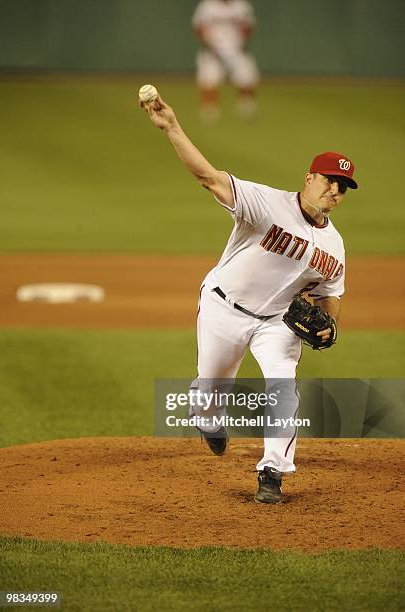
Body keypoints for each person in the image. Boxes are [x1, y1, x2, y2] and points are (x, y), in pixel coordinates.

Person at [140, 91, 358, 504]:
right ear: (309, 177)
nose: (334, 189)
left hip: (277, 324)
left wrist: (330, 328)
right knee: (209, 394)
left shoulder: (336, 247)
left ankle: (273, 472)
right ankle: (207, 418)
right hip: (223, 307)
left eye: (343, 186)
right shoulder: (265, 203)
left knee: (283, 388)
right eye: (329, 179)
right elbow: (209, 177)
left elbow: (331, 297)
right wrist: (172, 127)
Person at [192, 0, 260, 121]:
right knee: (209, 80)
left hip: (236, 49)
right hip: (213, 50)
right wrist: (208, 44)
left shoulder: (241, 5)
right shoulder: (208, 5)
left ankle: (246, 108)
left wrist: (242, 42)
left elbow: (249, 26)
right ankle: (209, 111)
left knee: (247, 77)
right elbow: (199, 27)